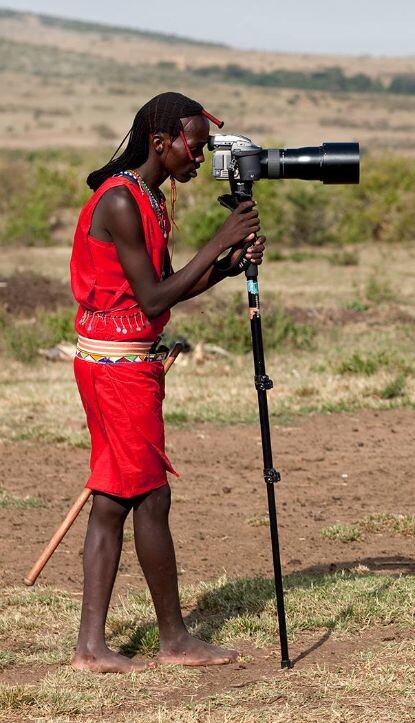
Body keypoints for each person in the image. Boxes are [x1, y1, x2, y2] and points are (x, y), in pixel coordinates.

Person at [70, 92, 266, 673]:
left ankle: (90, 648)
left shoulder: (148, 197)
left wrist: (225, 266)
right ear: (162, 142)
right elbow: (155, 297)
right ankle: (174, 639)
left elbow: (161, 288)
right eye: (195, 146)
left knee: (113, 499)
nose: (200, 158)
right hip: (117, 370)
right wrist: (219, 239)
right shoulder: (123, 203)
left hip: (123, 363)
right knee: (150, 496)